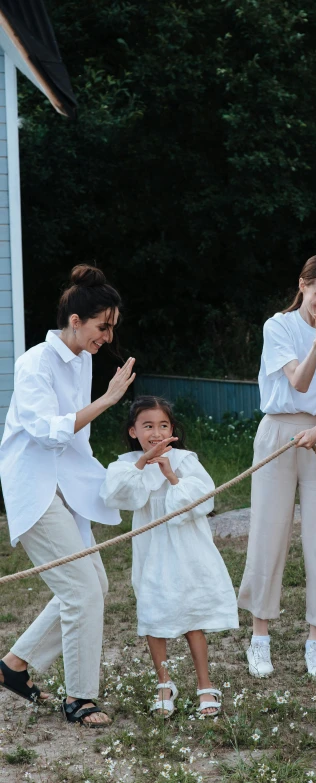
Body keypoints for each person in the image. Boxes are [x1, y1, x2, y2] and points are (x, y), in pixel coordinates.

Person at [0, 264, 135, 727]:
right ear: (75, 320)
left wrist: (112, 476)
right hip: (32, 487)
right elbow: (45, 433)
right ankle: (80, 699)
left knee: (94, 586)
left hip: (66, 488)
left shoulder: (83, 360)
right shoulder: (35, 361)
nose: (108, 336)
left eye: (112, 327)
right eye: (103, 326)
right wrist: (107, 401)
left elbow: (78, 444)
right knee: (80, 591)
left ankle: (13, 668)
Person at [238, 254, 316, 681]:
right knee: (268, 534)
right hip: (278, 432)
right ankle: (259, 640)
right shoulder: (280, 327)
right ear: (303, 287)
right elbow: (299, 382)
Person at [100, 395, 238, 717]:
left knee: (192, 616)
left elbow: (203, 502)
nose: (156, 432)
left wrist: (171, 476)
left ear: (172, 429)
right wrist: (142, 463)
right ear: (134, 431)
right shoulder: (125, 465)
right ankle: (165, 684)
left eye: (163, 425)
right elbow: (117, 496)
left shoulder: (185, 460)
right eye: (148, 426)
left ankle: (205, 685)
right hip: (152, 551)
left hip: (185, 550)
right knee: (154, 613)